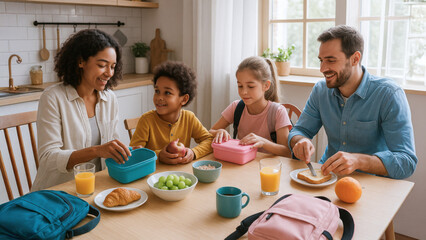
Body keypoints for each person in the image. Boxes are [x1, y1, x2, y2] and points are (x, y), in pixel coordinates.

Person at [288, 25, 417, 179]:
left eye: (330, 60)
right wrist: (300, 141)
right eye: (321, 61)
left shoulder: (388, 94)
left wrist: (358, 161)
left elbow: (406, 161)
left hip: (371, 184)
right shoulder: (321, 90)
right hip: (328, 177)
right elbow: (299, 131)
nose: (322, 69)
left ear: (355, 58)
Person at [32, 29, 131, 191]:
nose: (109, 73)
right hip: (58, 192)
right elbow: (48, 159)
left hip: (97, 188)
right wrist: (97, 151)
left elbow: (111, 148)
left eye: (113, 67)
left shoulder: (109, 98)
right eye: (102, 65)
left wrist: (128, 154)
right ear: (80, 61)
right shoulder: (52, 97)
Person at [130, 61, 213, 164]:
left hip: (180, 175)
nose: (159, 97)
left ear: (184, 99)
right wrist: (158, 155)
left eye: (167, 93)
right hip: (152, 176)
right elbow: (134, 154)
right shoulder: (146, 120)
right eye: (157, 91)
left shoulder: (189, 118)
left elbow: (209, 140)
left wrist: (193, 152)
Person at [210, 56, 292, 157]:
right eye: (240, 86)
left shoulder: (278, 112)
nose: (244, 92)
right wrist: (219, 131)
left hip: (268, 168)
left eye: (251, 86)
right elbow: (209, 133)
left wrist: (264, 142)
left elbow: (287, 152)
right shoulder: (236, 107)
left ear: (266, 86)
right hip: (242, 164)